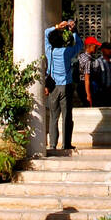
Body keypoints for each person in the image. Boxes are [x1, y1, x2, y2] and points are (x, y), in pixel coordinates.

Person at [44, 19, 80, 150]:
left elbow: (46, 34)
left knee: (54, 116)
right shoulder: (67, 51)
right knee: (66, 116)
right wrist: (73, 31)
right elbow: (79, 45)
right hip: (66, 85)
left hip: (53, 87)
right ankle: (66, 144)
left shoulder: (49, 51)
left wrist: (57, 26)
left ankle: (53, 145)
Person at [76, 36, 101, 108]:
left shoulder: (81, 56)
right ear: (89, 46)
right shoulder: (87, 60)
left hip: (80, 85)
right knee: (89, 108)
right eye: (95, 46)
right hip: (85, 87)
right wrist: (88, 95)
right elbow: (87, 79)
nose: (96, 48)